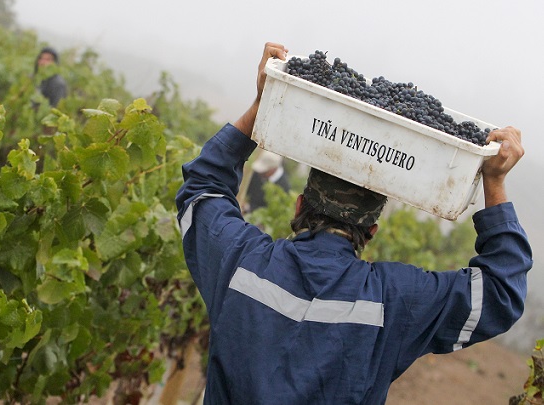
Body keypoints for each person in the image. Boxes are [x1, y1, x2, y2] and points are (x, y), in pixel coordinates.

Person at [175, 42, 532, 404]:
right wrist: (495, 182)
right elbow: (500, 293)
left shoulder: (241, 262)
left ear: (299, 205)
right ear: (370, 233)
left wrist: (262, 105)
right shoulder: (392, 301)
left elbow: (202, 188)